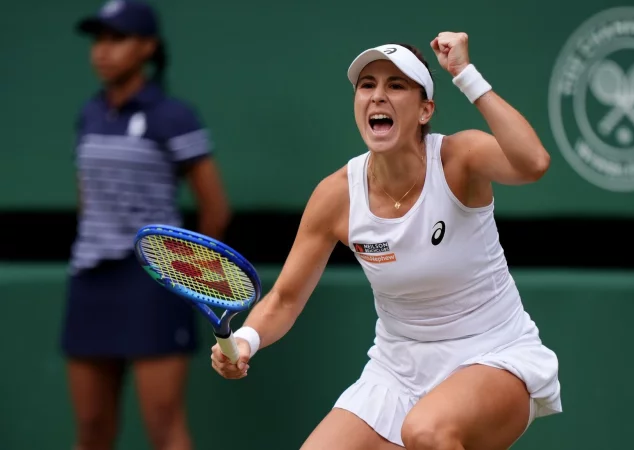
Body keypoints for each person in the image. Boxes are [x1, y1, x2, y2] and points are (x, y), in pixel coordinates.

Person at [211, 32, 561, 449]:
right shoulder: (336, 195)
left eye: (396, 85)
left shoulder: (460, 159)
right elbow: (285, 298)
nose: (378, 96)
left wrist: (464, 74)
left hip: (494, 355)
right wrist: (246, 341)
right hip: (395, 371)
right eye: (367, 85)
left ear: (425, 109)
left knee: (426, 432)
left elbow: (533, 162)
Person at [61, 1, 230, 449]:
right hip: (90, 283)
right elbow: (88, 197)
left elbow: (215, 208)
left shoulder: (174, 116)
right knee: (92, 427)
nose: (103, 51)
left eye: (117, 39)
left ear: (147, 48)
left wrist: (187, 276)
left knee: (163, 424)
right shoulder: (89, 114)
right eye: (99, 40)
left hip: (151, 285)